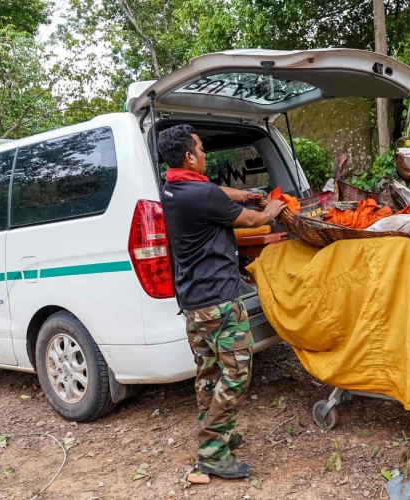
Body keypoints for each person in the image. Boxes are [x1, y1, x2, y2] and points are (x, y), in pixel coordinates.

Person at [158, 124, 286, 479]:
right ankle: (212, 452)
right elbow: (253, 220)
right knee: (237, 371)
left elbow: (213, 191)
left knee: (209, 371)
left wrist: (245, 193)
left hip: (193, 300)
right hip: (218, 300)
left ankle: (217, 436)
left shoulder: (172, 186)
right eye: (201, 148)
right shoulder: (201, 195)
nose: (205, 153)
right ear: (189, 156)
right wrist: (272, 209)